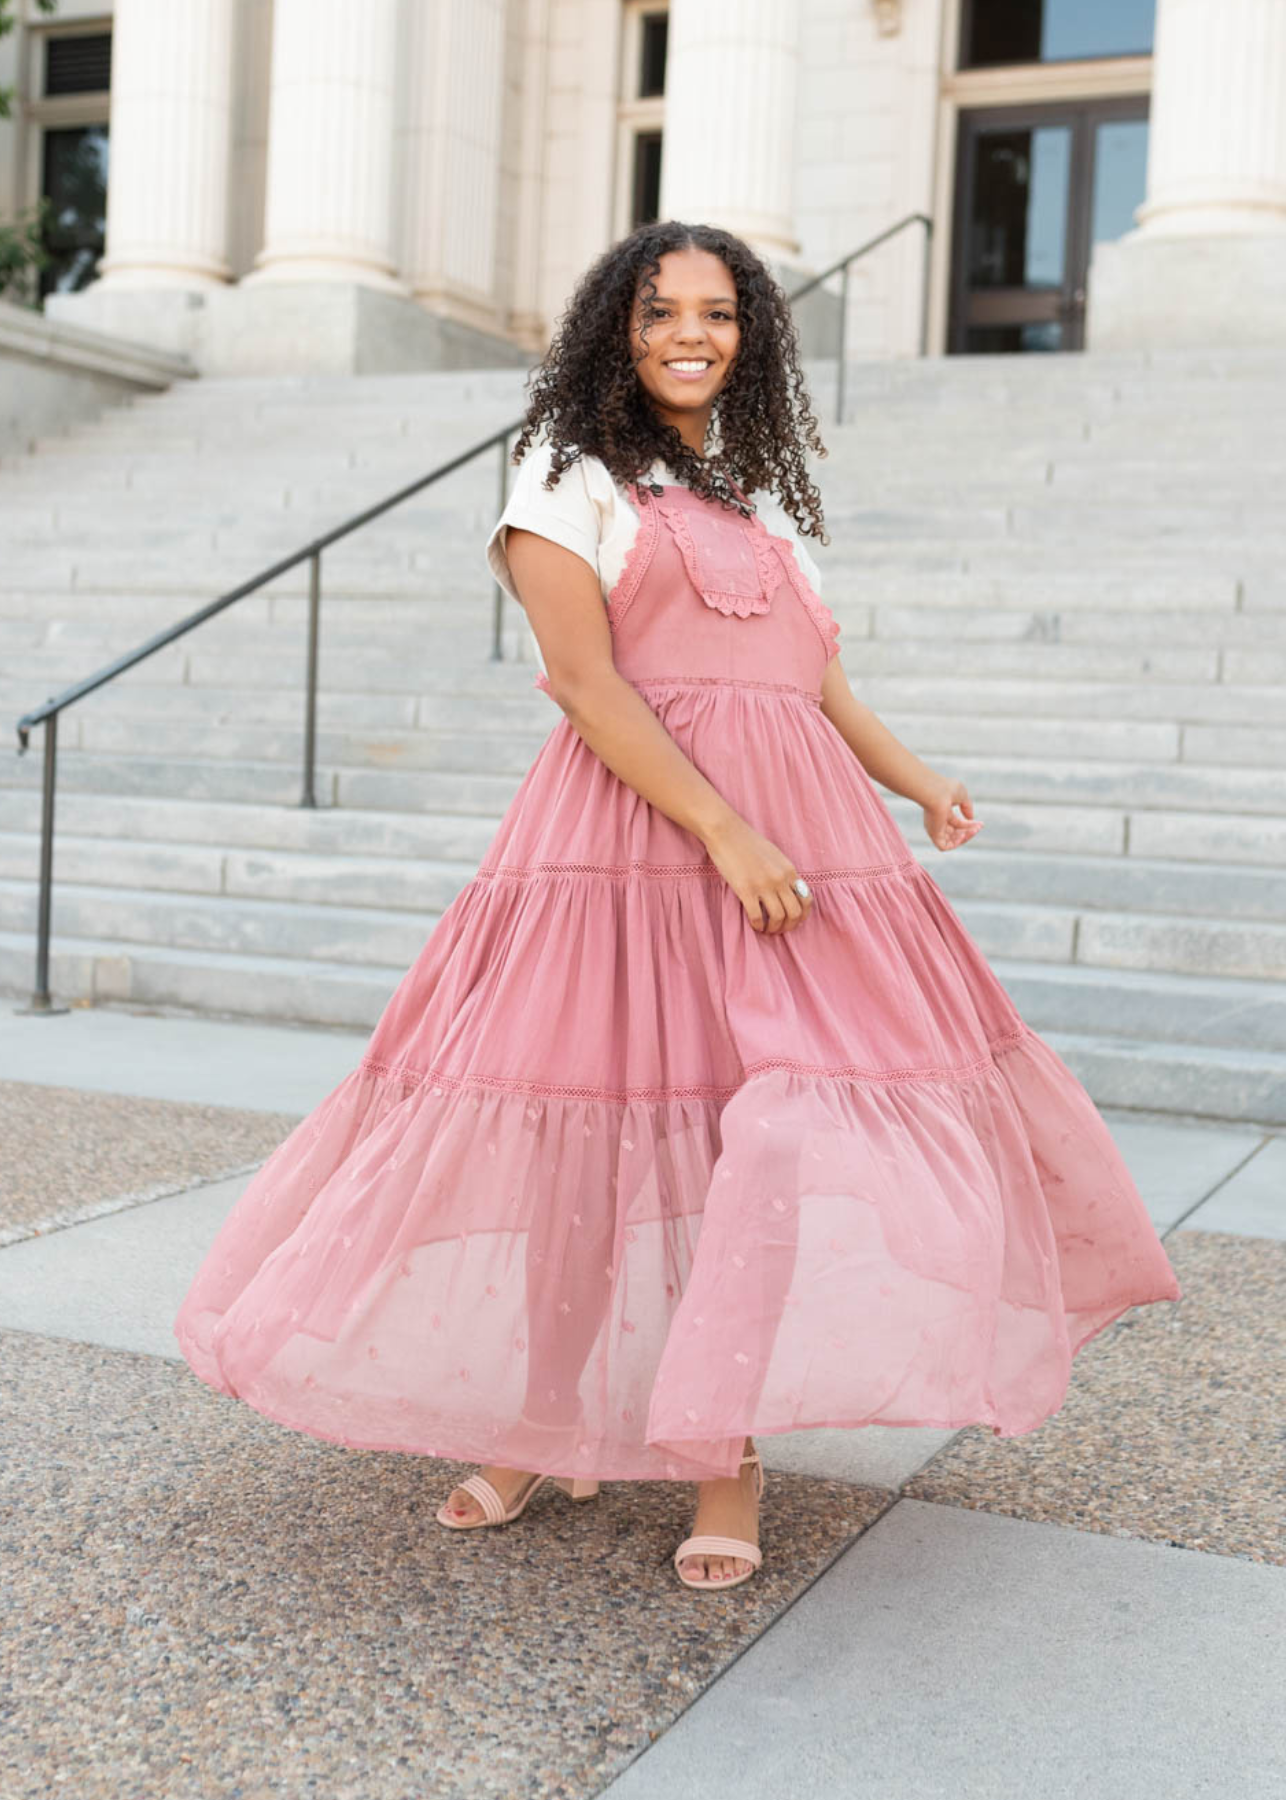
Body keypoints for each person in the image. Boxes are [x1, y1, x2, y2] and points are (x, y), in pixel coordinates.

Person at [173, 220, 1182, 1594]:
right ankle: (541, 1420)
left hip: (798, 851)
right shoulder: (562, 470)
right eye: (662, 313)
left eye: (718, 312)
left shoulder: (759, 502)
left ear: (750, 335)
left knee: (753, 1150)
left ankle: (727, 1458)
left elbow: (818, 689)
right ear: (615, 330)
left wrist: (916, 779)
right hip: (632, 850)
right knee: (571, 1146)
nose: (692, 334)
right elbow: (588, 686)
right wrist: (725, 831)